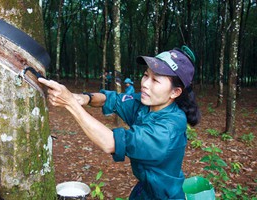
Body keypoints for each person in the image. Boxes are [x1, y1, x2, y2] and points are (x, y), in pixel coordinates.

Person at [38, 46, 200, 199]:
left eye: (155, 80)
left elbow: (110, 143)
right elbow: (111, 99)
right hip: (143, 189)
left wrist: (70, 104)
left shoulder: (168, 128)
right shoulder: (145, 105)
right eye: (145, 75)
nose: (144, 84)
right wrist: (82, 98)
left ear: (175, 92)